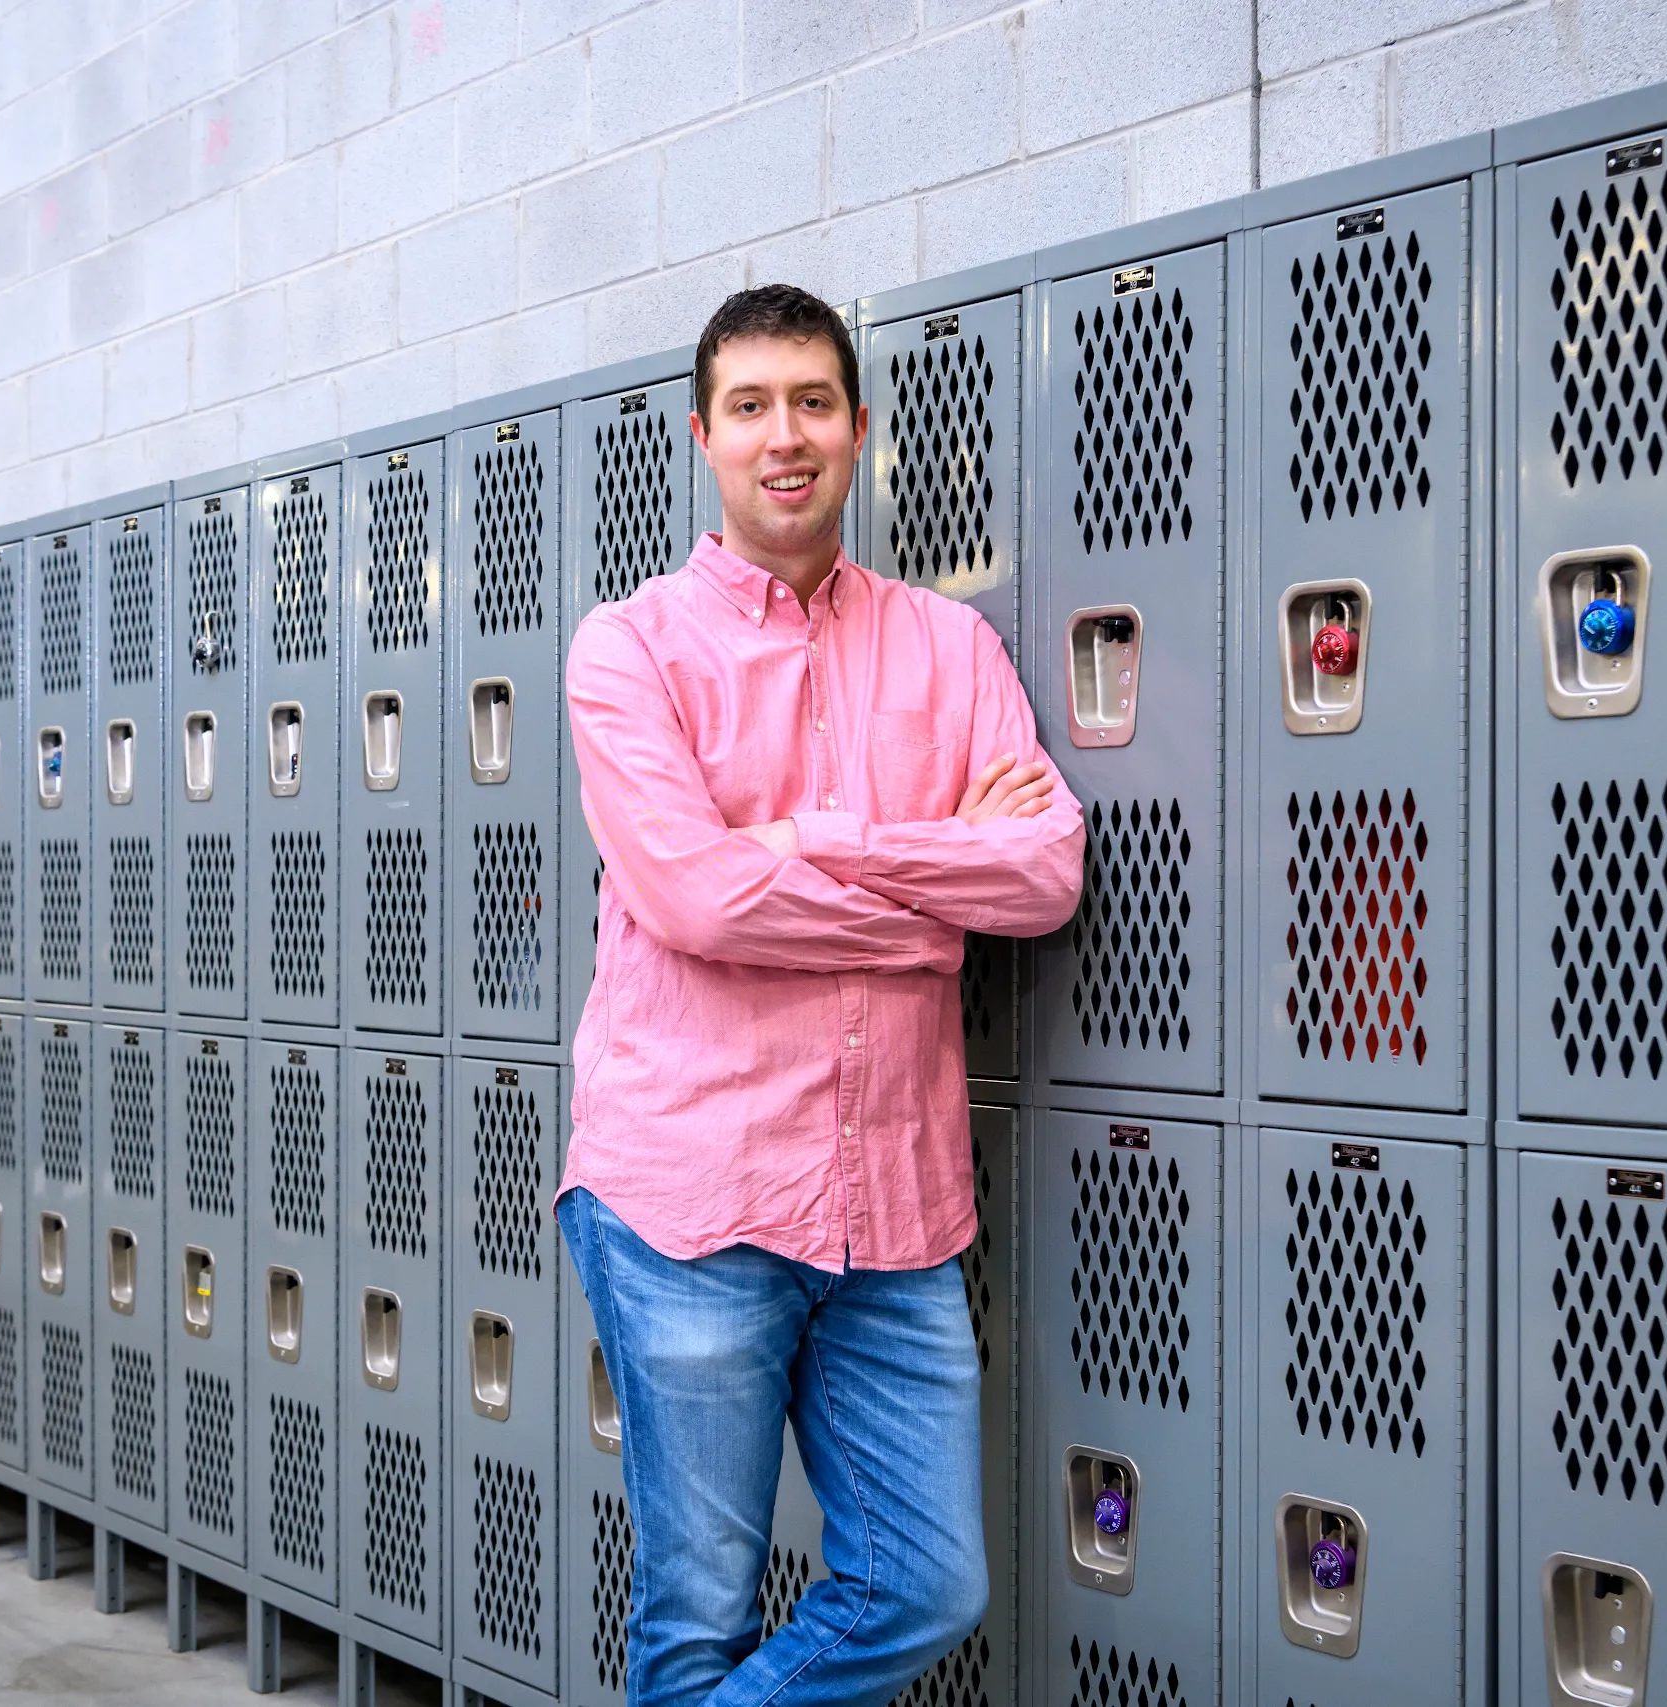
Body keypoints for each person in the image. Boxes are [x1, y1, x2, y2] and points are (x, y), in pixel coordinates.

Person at [556, 283, 1085, 1707]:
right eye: (749, 408)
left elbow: (1040, 875)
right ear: (703, 437)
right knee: (699, 1610)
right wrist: (927, 918)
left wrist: (825, 842)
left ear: (857, 429)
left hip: (894, 1209)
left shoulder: (949, 646)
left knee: (926, 1579)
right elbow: (697, 898)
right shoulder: (630, 650)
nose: (781, 437)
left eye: (809, 404)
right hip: (689, 1196)